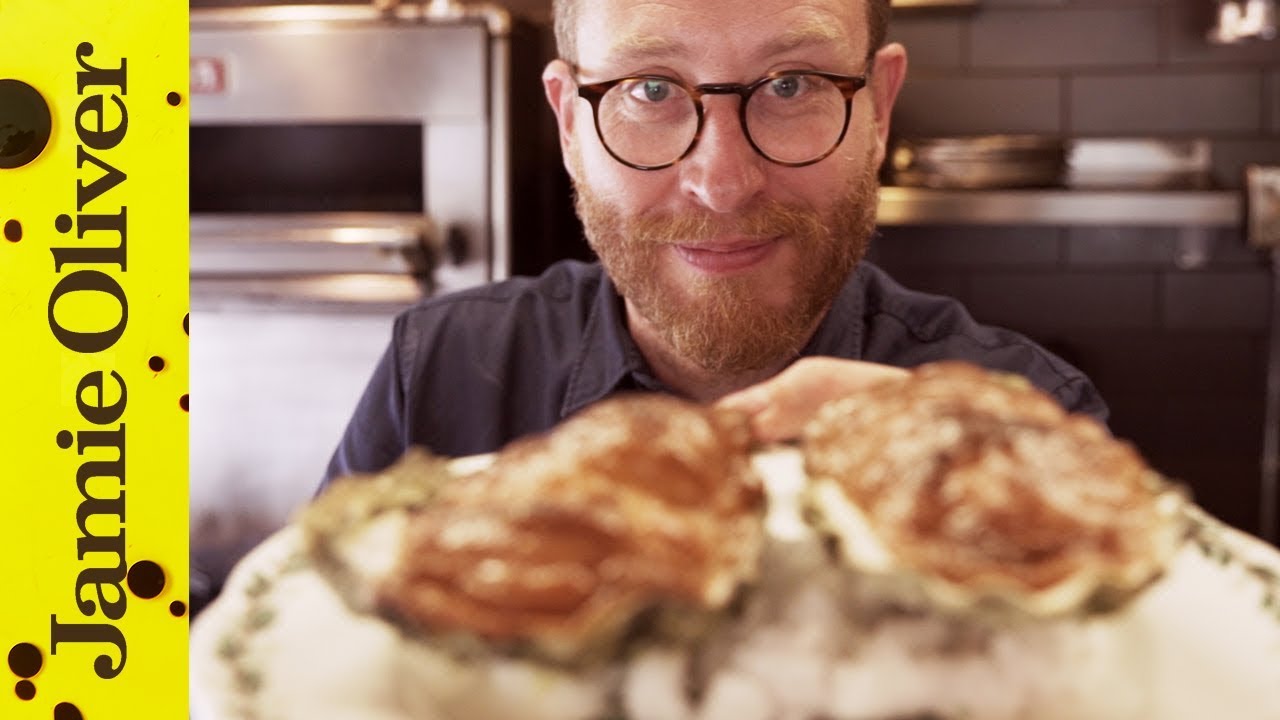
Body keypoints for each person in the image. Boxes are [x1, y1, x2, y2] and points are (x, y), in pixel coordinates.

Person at [322, 0, 1107, 485]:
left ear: (879, 109)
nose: (724, 182)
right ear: (569, 122)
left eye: (792, 84)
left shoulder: (1027, 422)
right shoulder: (438, 374)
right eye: (651, 90)